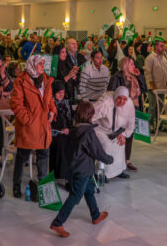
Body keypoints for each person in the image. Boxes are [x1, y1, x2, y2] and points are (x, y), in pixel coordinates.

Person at [49, 102, 112, 238]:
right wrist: (109, 159)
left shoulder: (75, 130)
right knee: (75, 196)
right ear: (91, 115)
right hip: (82, 169)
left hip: (76, 167)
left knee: (89, 190)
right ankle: (57, 222)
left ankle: (95, 215)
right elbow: (97, 151)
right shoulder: (88, 132)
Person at [10, 55, 56, 198]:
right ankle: (16, 184)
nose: (42, 66)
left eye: (43, 63)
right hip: (29, 127)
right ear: (31, 65)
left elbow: (50, 100)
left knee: (43, 156)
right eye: (40, 64)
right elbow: (16, 105)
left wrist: (53, 111)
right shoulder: (21, 81)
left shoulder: (46, 80)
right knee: (22, 156)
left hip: (43, 126)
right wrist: (28, 120)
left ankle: (43, 184)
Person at [107, 57, 146, 171]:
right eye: (132, 64)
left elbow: (144, 89)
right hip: (120, 109)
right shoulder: (116, 77)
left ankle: (127, 160)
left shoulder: (134, 77)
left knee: (129, 134)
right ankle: (116, 162)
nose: (134, 66)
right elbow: (110, 93)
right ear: (125, 66)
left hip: (133, 108)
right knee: (118, 134)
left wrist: (139, 76)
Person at [91, 87, 135, 180]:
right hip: (100, 128)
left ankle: (118, 171)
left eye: (124, 99)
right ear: (115, 96)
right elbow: (90, 116)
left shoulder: (129, 104)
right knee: (107, 145)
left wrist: (124, 135)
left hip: (116, 130)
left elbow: (131, 124)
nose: (121, 101)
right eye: (119, 98)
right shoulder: (105, 102)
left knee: (119, 143)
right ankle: (103, 174)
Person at [49, 80, 73, 181]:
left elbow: (70, 118)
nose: (61, 95)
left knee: (73, 142)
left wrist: (68, 129)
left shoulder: (66, 102)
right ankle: (60, 173)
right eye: (59, 93)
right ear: (54, 92)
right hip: (54, 132)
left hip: (66, 131)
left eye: (63, 93)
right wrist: (61, 130)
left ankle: (70, 175)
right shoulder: (50, 103)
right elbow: (50, 121)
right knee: (62, 144)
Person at [144, 39, 167, 132]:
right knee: (152, 106)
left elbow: (166, 71)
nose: (163, 48)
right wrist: (152, 85)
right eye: (161, 46)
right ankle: (150, 125)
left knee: (162, 107)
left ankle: (161, 124)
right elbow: (148, 73)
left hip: (162, 87)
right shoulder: (150, 58)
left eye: (163, 46)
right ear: (156, 46)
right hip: (153, 87)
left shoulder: (163, 58)